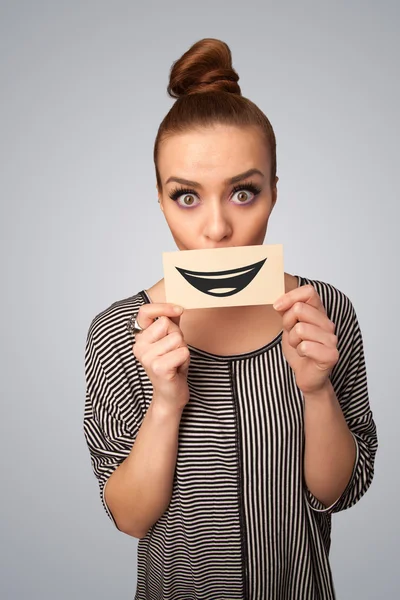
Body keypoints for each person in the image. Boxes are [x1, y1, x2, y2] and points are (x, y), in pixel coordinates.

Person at [83, 38, 378, 600]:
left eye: (243, 192)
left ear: (273, 193)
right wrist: (166, 402)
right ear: (160, 199)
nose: (216, 229)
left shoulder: (324, 311)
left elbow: (340, 491)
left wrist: (317, 392)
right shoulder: (122, 329)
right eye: (187, 197)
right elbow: (128, 518)